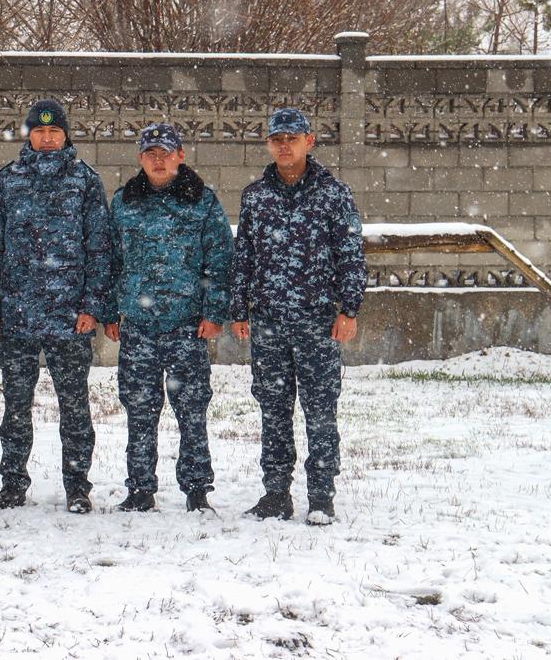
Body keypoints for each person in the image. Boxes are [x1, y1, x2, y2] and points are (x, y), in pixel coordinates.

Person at [230, 107, 365, 525]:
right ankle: (275, 493)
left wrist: (349, 308)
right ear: (268, 144)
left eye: (292, 137)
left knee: (320, 408)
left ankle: (321, 496)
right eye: (277, 139)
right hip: (269, 321)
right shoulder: (255, 196)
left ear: (309, 141)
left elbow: (350, 254)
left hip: (318, 321)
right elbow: (244, 257)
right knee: (273, 408)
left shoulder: (333, 193)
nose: (284, 145)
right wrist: (239, 308)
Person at [0, 99, 111, 514]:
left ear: (65, 135)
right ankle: (13, 483)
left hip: (69, 318)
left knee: (74, 407)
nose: (48, 138)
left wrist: (92, 305)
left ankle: (77, 486)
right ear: (30, 135)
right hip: (17, 315)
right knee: (16, 407)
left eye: (55, 132)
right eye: (40, 131)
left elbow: (99, 248)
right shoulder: (9, 181)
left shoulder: (84, 180)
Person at [104, 123, 233, 514]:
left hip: (186, 326)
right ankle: (140, 488)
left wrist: (214, 313)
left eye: (165, 152)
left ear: (181, 155)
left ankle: (197, 489)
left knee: (192, 410)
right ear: (140, 158)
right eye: (150, 153)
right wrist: (110, 311)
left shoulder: (202, 202)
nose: (158, 160)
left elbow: (220, 261)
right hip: (139, 328)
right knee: (139, 411)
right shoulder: (124, 202)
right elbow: (111, 261)